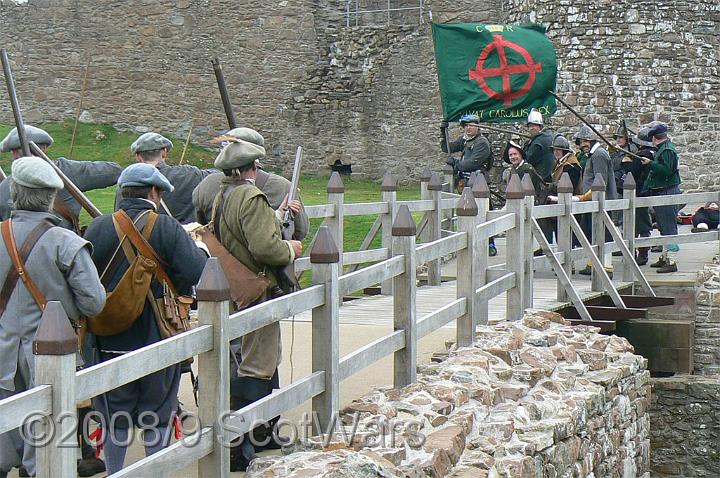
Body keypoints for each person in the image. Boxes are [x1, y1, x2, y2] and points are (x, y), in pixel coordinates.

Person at [83, 164, 207, 474]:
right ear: (155, 192)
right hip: (156, 338)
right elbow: (197, 273)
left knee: (114, 418)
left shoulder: (97, 228)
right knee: (157, 414)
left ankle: (114, 472)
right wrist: (200, 250)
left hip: (108, 341)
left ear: (123, 192)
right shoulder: (166, 228)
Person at [0, 157, 106, 478]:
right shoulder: (66, 243)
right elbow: (94, 302)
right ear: (50, 198)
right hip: (50, 360)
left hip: (2, 353)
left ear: (14, 193)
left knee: (4, 434)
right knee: (45, 446)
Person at [209, 130, 302, 471]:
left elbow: (245, 235)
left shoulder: (225, 194)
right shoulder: (250, 196)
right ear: (253, 166)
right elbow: (265, 249)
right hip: (257, 289)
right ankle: (240, 444)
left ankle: (252, 437)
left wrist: (275, 218)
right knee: (256, 367)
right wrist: (290, 248)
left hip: (238, 286)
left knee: (251, 363)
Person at [192, 127, 308, 242]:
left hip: (220, 259)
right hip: (268, 257)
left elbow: (202, 228)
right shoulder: (283, 187)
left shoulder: (205, 185)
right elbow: (301, 231)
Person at [0, 125, 122, 233]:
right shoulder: (67, 170)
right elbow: (115, 171)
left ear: (14, 153)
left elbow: (113, 172)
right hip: (65, 251)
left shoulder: (3, 187)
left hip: (13, 255)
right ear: (44, 149)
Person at [123, 132, 216, 224]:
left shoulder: (129, 184)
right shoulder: (190, 173)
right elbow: (217, 175)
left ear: (138, 157)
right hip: (188, 237)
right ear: (164, 152)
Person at [440, 115, 497, 255]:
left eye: (471, 125)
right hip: (465, 183)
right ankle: (469, 244)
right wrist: (443, 131)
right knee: (466, 213)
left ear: (477, 126)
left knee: (484, 213)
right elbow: (447, 148)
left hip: (479, 182)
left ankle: (490, 244)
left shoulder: (482, 142)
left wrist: (456, 163)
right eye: (465, 125)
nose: (468, 128)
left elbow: (472, 163)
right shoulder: (465, 140)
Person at [574, 125, 617, 276]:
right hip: (594, 202)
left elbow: (600, 182)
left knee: (603, 233)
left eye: (582, 142)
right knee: (594, 232)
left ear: (589, 140)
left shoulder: (599, 155)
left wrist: (582, 198)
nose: (581, 145)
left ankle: (606, 267)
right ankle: (593, 262)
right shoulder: (596, 154)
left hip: (601, 202)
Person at [642, 122, 681, 273]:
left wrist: (650, 163)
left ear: (654, 137)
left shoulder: (667, 151)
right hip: (662, 191)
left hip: (667, 192)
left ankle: (671, 261)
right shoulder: (663, 149)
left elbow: (667, 171)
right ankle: (665, 257)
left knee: (669, 227)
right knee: (663, 226)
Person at [624, 127, 655, 265]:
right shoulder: (653, 153)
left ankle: (642, 254)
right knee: (640, 223)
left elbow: (632, 172)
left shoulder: (644, 154)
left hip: (640, 191)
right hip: (645, 191)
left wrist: (626, 162)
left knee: (640, 224)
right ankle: (638, 253)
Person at [523, 108, 554, 182]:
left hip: (540, 180)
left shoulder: (538, 142)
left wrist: (527, 146)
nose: (531, 128)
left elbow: (527, 159)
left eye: (534, 125)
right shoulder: (548, 137)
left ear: (540, 126)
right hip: (548, 178)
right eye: (530, 126)